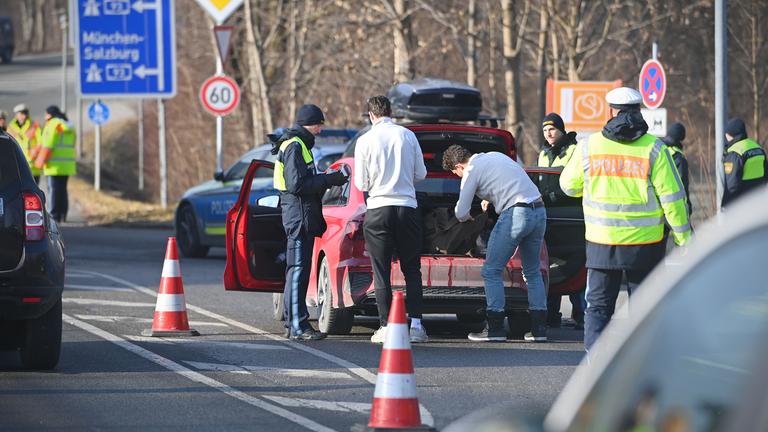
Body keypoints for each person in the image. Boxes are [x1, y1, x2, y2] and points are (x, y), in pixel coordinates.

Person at [559, 87, 691, 352]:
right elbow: (673, 198)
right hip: (646, 243)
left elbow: (568, 186)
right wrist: (684, 238)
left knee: (597, 308)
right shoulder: (655, 148)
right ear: (640, 111)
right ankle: (641, 369)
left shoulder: (588, 146)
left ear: (610, 111)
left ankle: (596, 368)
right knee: (644, 308)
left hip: (601, 241)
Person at [443, 144, 548, 342]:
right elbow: (507, 182)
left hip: (516, 214)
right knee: (532, 272)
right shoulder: (495, 156)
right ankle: (538, 330)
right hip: (539, 211)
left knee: (491, 270)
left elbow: (461, 211)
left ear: (458, 166)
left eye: (455, 173)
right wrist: (490, 198)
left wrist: (468, 220)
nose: (458, 177)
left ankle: (495, 328)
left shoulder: (471, 170)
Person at [354, 95, 429, 344]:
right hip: (407, 207)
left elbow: (361, 183)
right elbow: (421, 173)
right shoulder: (408, 135)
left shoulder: (364, 140)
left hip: (378, 208)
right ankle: (417, 325)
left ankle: (386, 326)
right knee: (412, 269)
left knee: (381, 270)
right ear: (391, 112)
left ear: (371, 115)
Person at [272, 104, 348, 341]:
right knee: (298, 271)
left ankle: (294, 322)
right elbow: (297, 185)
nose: (320, 130)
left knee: (299, 271)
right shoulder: (295, 146)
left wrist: (324, 179)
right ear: (311, 123)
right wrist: (328, 180)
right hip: (298, 216)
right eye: (319, 125)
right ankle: (298, 326)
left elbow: (302, 181)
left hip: (300, 215)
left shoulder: (298, 144)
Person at [538, 112, 586, 329]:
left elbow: (577, 182)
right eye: (545, 130)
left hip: (572, 214)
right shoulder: (543, 153)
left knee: (576, 264)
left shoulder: (575, 150)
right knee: (551, 264)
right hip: (548, 215)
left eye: (552, 129)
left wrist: (553, 196)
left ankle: (581, 312)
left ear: (561, 130)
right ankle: (551, 313)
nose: (548, 134)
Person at [36, 105, 76, 223]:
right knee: (62, 190)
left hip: (54, 165)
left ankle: (53, 215)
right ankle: (63, 215)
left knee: (53, 190)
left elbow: (48, 145)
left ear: (50, 114)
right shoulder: (69, 125)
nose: (44, 116)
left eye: (46, 114)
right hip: (67, 165)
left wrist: (40, 162)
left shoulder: (52, 125)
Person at [721, 117, 767, 208]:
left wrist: (725, 207)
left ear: (731, 134)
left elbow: (732, 186)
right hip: (759, 203)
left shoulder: (735, 152)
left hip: (741, 206)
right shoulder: (758, 149)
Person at [661, 122, 692, 217]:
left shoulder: (659, 149)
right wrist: (688, 206)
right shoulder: (678, 157)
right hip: (672, 205)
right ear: (682, 138)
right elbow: (682, 184)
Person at [7, 104, 42, 183]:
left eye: (25, 113)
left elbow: (41, 143)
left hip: (32, 166)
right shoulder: (11, 127)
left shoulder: (35, 126)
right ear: (16, 115)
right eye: (21, 113)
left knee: (34, 193)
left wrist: (34, 154)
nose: (23, 116)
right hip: (16, 167)